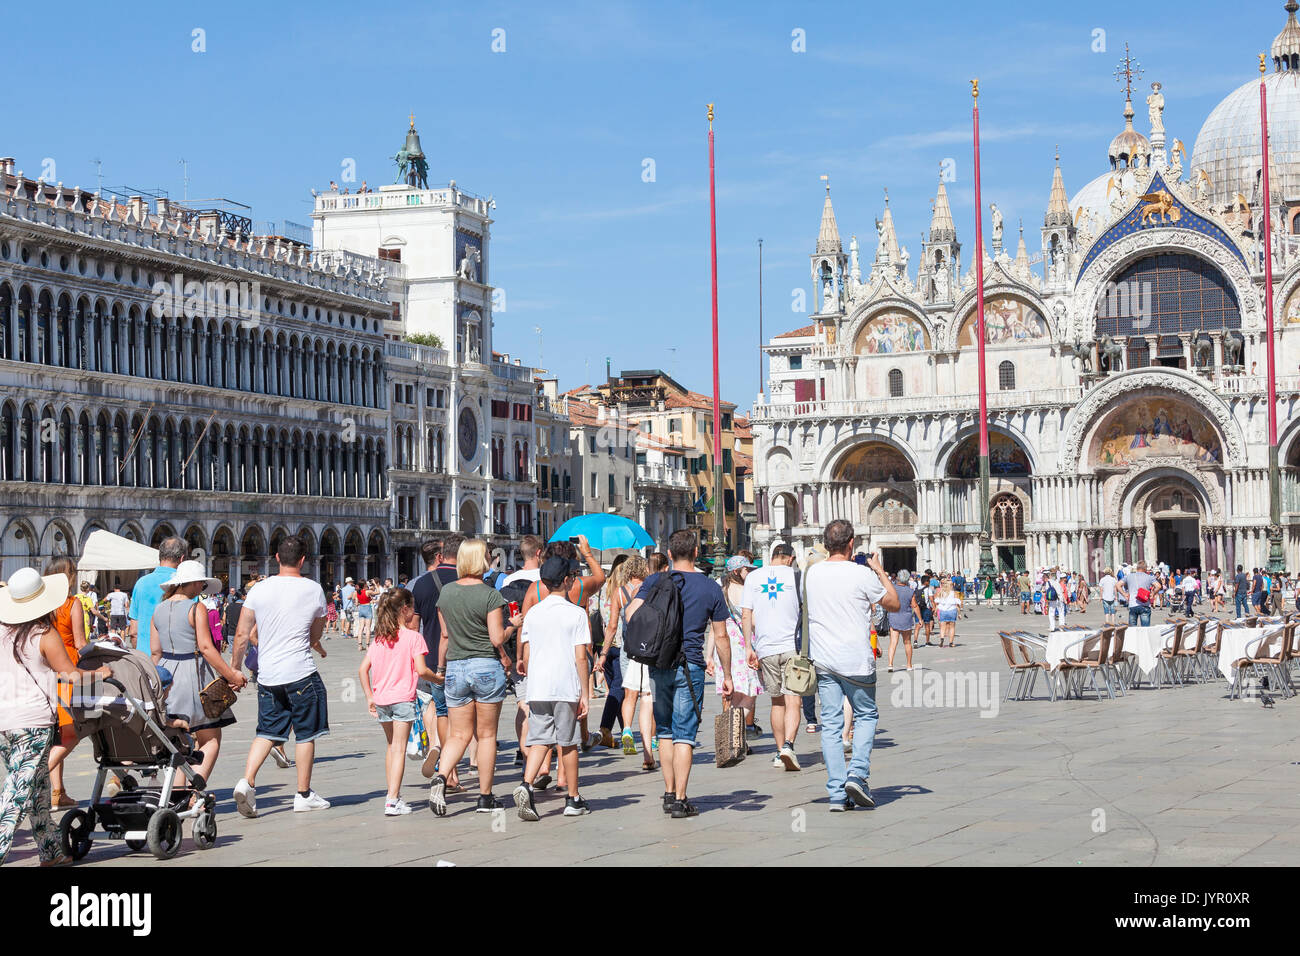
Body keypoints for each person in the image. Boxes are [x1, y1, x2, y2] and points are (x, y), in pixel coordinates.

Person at [0, 567, 114, 866]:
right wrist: (100, 674)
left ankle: (52, 852)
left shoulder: (1, 629)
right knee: (14, 795)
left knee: (37, 791)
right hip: (33, 722)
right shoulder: (43, 633)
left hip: (3, 721)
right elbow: (70, 675)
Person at [624, 529, 730, 820]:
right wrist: (728, 673)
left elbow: (630, 613)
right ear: (696, 553)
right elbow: (721, 636)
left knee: (666, 731)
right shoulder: (710, 587)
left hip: (658, 666)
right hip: (691, 667)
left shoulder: (655, 580)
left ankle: (669, 793)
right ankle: (681, 799)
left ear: (669, 555)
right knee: (686, 734)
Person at [231, 535, 331, 818]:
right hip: (301, 672)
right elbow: (315, 635)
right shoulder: (314, 590)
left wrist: (235, 668)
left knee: (267, 731)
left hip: (268, 674)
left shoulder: (259, 590)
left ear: (276, 558)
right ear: (303, 560)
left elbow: (241, 634)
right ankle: (303, 794)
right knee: (306, 734)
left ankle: (246, 781)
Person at [804, 521, 900, 811]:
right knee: (866, 715)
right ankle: (857, 773)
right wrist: (879, 570)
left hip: (824, 661)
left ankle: (836, 793)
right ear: (851, 543)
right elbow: (894, 603)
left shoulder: (811, 574)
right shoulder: (862, 574)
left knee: (831, 726)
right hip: (856, 660)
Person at [428, 539, 511, 816]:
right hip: (486, 666)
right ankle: (485, 797)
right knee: (486, 735)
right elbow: (496, 638)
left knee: (459, 733)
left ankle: (440, 777)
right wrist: (513, 627)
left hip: (455, 668)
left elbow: (444, 636)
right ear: (482, 560)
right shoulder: (490, 595)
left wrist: (440, 669)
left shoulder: (447, 593)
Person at [150, 560, 246, 791]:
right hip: (192, 674)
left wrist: (154, 683)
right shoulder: (196, 608)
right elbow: (205, 648)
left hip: (165, 674)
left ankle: (177, 793)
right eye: (201, 584)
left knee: (180, 741)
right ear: (192, 583)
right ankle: (194, 790)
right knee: (210, 738)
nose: (202, 588)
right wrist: (231, 675)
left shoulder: (158, 609)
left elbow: (155, 651)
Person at [512, 555, 594, 821]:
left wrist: (522, 662)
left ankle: (526, 784)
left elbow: (527, 648)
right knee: (568, 743)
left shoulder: (533, 613)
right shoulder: (576, 613)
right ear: (568, 580)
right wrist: (585, 692)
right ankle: (572, 798)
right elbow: (580, 657)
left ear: (544, 582)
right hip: (564, 684)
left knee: (539, 740)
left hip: (538, 686)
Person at [360, 588, 435, 816]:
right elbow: (422, 670)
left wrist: (369, 697)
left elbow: (363, 669)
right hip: (403, 698)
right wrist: (438, 677)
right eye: (412, 607)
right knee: (400, 748)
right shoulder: (414, 638)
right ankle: (392, 800)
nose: (414, 611)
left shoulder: (380, 639)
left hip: (382, 699)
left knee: (392, 746)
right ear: (404, 609)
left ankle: (393, 795)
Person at [741, 544, 802, 770]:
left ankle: (778, 752)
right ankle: (788, 744)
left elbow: (746, 613)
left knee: (777, 701)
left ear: (773, 556)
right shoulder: (798, 575)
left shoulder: (754, 577)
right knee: (793, 698)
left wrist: (749, 646)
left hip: (765, 648)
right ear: (790, 558)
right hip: (792, 647)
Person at [410, 537, 458, 782]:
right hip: (458, 655)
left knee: (432, 705)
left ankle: (435, 746)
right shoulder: (464, 580)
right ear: (440, 557)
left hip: (427, 656)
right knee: (457, 712)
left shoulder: (416, 585)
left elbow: (413, 625)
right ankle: (456, 768)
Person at [606, 555, 657, 768]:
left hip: (627, 649)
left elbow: (612, 626)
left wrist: (603, 652)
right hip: (648, 648)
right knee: (648, 695)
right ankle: (652, 739)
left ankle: (626, 728)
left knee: (629, 694)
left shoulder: (619, 592)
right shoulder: (649, 589)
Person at [718, 556, 763, 737]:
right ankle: (732, 732)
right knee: (751, 692)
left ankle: (735, 740)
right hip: (743, 643)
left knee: (735, 695)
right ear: (737, 571)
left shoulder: (722, 590)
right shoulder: (745, 591)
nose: (749, 572)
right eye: (747, 570)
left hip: (727, 644)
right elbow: (751, 620)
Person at [129, 536, 186, 653]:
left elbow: (133, 632)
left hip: (146, 658)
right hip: (175, 657)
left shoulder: (141, 583)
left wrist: (140, 655)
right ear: (181, 559)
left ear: (160, 556)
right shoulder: (186, 585)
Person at [885, 569, 919, 672]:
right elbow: (915, 606)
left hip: (894, 617)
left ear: (898, 578)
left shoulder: (892, 589)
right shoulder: (910, 591)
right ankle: (909, 665)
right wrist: (920, 619)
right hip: (906, 618)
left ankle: (890, 664)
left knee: (893, 642)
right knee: (907, 642)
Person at [1117, 559, 1158, 627]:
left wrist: (1125, 594)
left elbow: (1118, 585)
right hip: (1145, 604)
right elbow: (1158, 586)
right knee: (1145, 629)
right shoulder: (1149, 577)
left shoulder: (1129, 576)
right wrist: (1152, 593)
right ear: (1145, 568)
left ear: (1137, 568)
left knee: (1132, 630)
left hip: (1133, 604)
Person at [934, 576, 962, 648]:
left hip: (943, 611)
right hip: (952, 611)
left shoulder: (941, 593)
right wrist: (959, 614)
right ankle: (951, 642)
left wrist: (935, 611)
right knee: (952, 627)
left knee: (942, 627)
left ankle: (942, 639)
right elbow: (957, 604)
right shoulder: (954, 593)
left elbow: (937, 603)